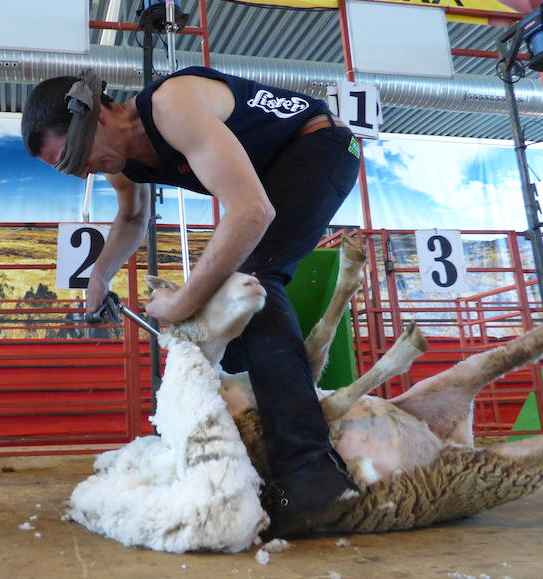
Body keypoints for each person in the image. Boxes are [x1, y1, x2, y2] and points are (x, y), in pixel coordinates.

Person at [21, 66, 362, 535]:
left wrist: (181, 303)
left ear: (97, 116)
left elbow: (252, 210)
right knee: (230, 312)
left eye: (74, 156)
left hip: (319, 144)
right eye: (67, 169)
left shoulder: (171, 105)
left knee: (250, 281)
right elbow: (132, 216)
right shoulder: (121, 159)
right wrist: (99, 276)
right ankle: (260, 455)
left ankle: (313, 475)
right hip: (271, 170)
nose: (81, 173)